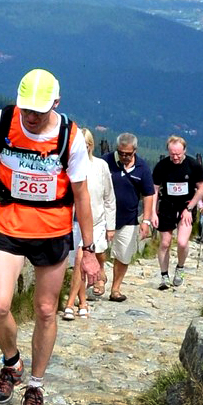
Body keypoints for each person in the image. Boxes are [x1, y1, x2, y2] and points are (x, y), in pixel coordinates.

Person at [0, 68, 100, 405]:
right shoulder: (0, 122)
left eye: (38, 111)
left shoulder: (70, 137)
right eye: (26, 108)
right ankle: (12, 363)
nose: (30, 116)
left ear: (55, 103)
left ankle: (36, 386)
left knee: (45, 310)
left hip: (52, 231)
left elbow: (81, 195)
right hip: (8, 224)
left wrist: (89, 250)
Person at [62, 127, 115, 320]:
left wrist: (110, 226)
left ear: (91, 146)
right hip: (72, 222)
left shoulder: (101, 166)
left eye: (86, 145)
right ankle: (83, 303)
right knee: (78, 263)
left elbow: (109, 197)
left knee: (80, 258)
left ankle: (70, 303)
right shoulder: (67, 165)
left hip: (96, 223)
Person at [103, 133, 156, 303]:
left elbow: (148, 194)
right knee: (98, 250)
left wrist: (146, 221)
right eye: (121, 153)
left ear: (135, 151)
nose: (124, 156)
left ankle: (115, 289)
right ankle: (99, 278)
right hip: (104, 216)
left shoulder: (142, 167)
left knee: (124, 255)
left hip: (129, 218)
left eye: (128, 154)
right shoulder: (106, 162)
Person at [151, 135, 203, 289]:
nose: (175, 157)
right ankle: (164, 276)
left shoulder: (193, 165)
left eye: (178, 154)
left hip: (186, 205)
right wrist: (153, 212)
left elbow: (201, 188)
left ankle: (180, 268)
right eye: (172, 154)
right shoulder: (162, 166)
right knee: (165, 243)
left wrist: (190, 208)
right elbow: (154, 190)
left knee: (182, 242)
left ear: (184, 151)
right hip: (167, 205)